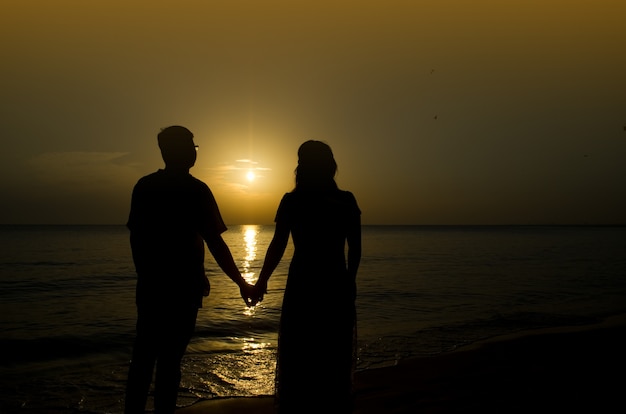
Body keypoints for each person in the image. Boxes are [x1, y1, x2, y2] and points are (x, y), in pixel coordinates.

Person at [124, 125, 255, 414]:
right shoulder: (196, 190)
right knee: (169, 361)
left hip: (153, 288)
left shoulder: (145, 187)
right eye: (192, 146)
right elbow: (216, 243)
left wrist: (147, 276)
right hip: (183, 289)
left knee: (144, 358)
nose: (195, 152)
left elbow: (138, 239)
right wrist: (242, 283)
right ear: (178, 150)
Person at [253, 140, 362, 413]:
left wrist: (261, 281)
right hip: (333, 281)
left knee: (301, 351)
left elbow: (278, 244)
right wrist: (350, 280)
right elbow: (355, 247)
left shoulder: (294, 201)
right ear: (331, 166)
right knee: (331, 351)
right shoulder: (344, 200)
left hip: (305, 282)